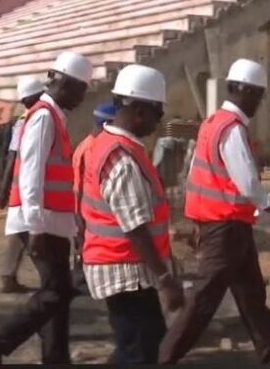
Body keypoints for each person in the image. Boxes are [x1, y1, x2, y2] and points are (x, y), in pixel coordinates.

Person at [0, 51, 93, 365]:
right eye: (82, 89)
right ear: (66, 84)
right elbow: (30, 171)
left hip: (51, 220)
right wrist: (37, 225)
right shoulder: (43, 117)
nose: (83, 97)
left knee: (59, 291)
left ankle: (55, 357)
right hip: (40, 221)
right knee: (57, 292)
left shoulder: (52, 116)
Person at [159, 58, 270, 364]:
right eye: (259, 95)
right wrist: (266, 201)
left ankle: (267, 347)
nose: (259, 103)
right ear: (246, 91)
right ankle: (165, 356)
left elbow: (196, 174)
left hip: (226, 223)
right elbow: (246, 179)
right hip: (226, 226)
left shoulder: (212, 123)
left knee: (251, 294)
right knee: (204, 299)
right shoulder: (232, 129)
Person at [80, 64, 184, 365]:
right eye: (158, 113)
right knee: (139, 351)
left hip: (121, 266)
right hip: (125, 270)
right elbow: (135, 227)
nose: (158, 121)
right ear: (139, 109)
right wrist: (165, 280)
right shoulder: (122, 159)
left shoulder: (106, 144)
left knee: (137, 344)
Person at [0, 77, 45, 294]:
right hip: (27, 189)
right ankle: (51, 278)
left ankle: (8, 276)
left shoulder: (27, 118)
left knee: (19, 232)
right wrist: (4, 187)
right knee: (34, 235)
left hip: (21, 189)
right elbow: (12, 156)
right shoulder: (33, 119)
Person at [72, 103, 117, 294]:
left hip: (85, 203)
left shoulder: (88, 144)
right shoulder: (91, 147)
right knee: (85, 241)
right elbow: (83, 183)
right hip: (85, 204)